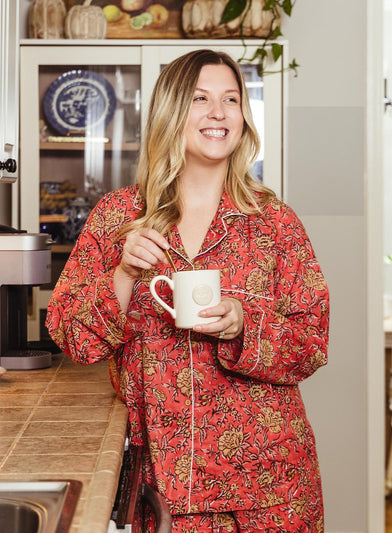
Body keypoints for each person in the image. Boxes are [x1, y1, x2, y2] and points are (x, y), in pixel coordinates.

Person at [46, 49, 329, 532]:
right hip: (159, 491)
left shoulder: (274, 223)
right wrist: (123, 273)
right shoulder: (118, 218)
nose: (218, 113)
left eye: (231, 100)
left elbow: (312, 345)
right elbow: (73, 339)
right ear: (172, 111)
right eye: (200, 99)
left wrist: (245, 324)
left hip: (269, 490)